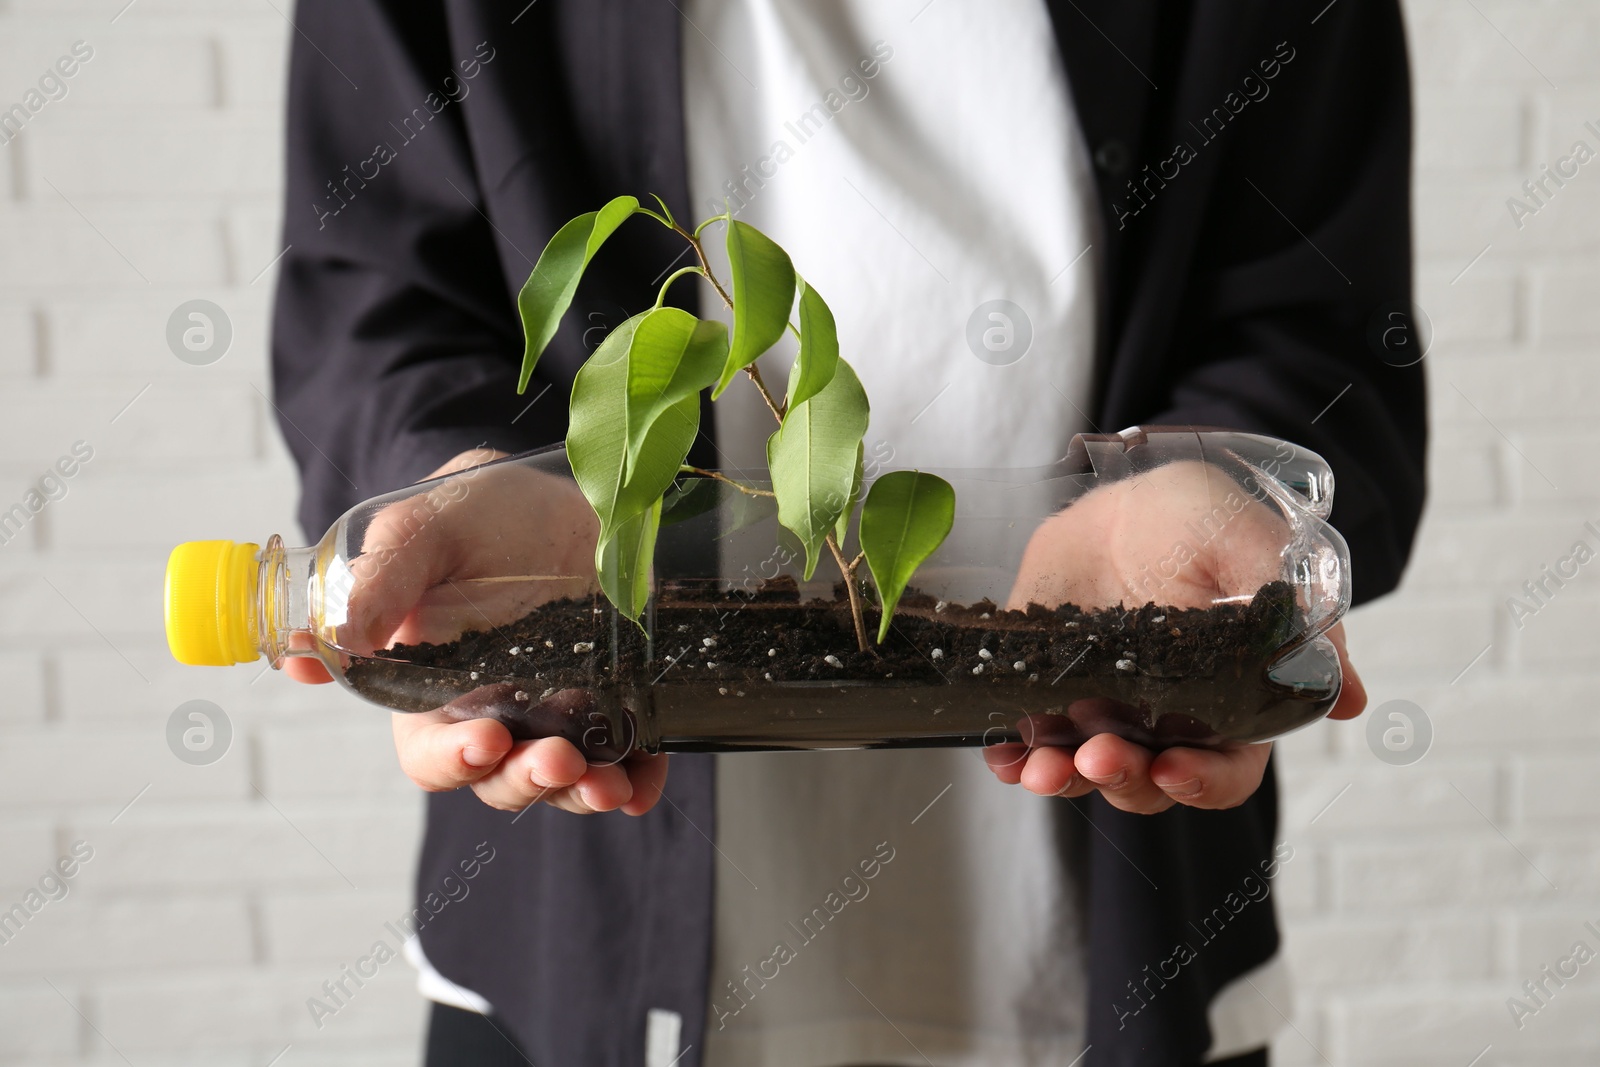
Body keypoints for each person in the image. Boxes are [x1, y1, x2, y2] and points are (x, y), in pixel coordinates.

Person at [271, 2, 1423, 1065]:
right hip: (580, 943)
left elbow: (1322, 312)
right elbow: (372, 292)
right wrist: (447, 483)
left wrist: (1224, 489)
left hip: (1115, 914)